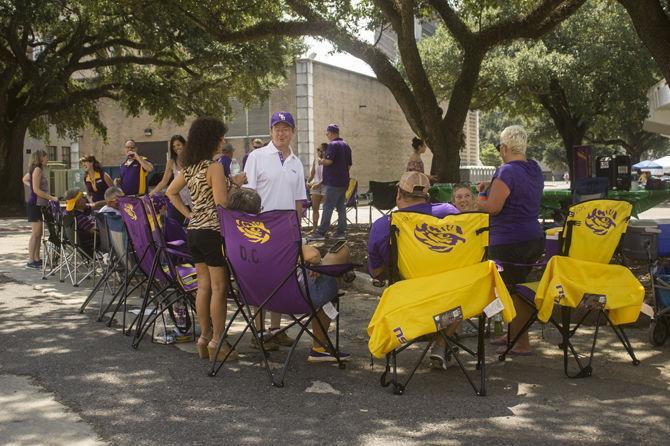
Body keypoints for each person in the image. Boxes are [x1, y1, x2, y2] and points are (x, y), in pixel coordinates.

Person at [226, 187, 351, 362]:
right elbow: (313, 256)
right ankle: (319, 347)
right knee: (339, 253)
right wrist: (316, 264)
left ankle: (319, 346)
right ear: (259, 211)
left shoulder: (230, 236)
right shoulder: (272, 233)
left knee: (317, 272)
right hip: (293, 297)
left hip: (252, 295)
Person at [166, 116, 246, 362]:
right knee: (220, 288)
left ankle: (203, 338)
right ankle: (218, 342)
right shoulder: (214, 167)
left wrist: (189, 214)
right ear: (212, 140)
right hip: (212, 232)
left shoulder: (190, 168)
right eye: (221, 137)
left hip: (194, 232)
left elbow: (171, 192)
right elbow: (222, 203)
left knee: (203, 287)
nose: (223, 141)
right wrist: (235, 186)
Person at [367, 171, 460, 369]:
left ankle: (425, 332)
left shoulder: (383, 225)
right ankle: (441, 343)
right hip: (451, 296)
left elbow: (376, 273)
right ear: (427, 195)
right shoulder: (450, 212)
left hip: (409, 298)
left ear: (398, 195)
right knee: (458, 289)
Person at [477, 125, 544, 356]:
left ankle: (521, 341)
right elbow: (517, 190)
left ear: (504, 147)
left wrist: (480, 199)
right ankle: (515, 333)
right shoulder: (534, 168)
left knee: (511, 291)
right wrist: (492, 185)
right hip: (533, 237)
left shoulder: (506, 171)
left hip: (508, 241)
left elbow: (494, 208)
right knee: (520, 288)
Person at [243, 111, 307, 349]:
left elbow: (299, 200)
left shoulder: (296, 162)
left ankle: (275, 329)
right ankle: (258, 333)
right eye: (277, 128)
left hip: (286, 232)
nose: (281, 133)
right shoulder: (257, 157)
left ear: (292, 132)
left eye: (286, 129)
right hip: (261, 230)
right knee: (260, 280)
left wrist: (297, 231)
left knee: (282, 279)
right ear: (270, 131)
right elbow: (247, 195)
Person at [308, 124, 352, 241]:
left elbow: (329, 161)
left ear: (331, 133)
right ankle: (341, 232)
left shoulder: (332, 145)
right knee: (341, 207)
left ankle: (321, 233)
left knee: (328, 207)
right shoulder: (346, 145)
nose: (326, 135)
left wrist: (321, 161)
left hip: (333, 182)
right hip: (343, 182)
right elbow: (349, 165)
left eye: (327, 133)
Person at [24, 150, 58, 269]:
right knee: (35, 233)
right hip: (35, 204)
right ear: (41, 158)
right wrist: (52, 198)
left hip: (41, 204)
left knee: (39, 234)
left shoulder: (38, 169)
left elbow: (25, 179)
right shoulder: (37, 170)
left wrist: (32, 187)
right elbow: (37, 190)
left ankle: (37, 259)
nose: (47, 159)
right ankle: (31, 260)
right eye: (46, 156)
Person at [149, 135, 191, 224]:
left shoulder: (192, 159)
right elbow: (164, 182)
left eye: (178, 145)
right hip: (178, 200)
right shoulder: (171, 162)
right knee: (174, 226)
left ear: (184, 144)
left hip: (193, 200)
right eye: (174, 146)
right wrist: (150, 195)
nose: (176, 148)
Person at [64, 187, 96, 255]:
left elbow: (92, 206)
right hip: (90, 242)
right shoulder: (79, 217)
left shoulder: (69, 214)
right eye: (83, 197)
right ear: (78, 202)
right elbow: (94, 230)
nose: (85, 199)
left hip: (77, 242)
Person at [306, 143, 327, 230]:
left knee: (326, 209)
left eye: (319, 150)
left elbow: (328, 176)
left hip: (326, 185)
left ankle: (324, 228)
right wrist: (307, 182)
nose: (318, 152)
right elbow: (312, 174)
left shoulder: (328, 161)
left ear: (324, 151)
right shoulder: (316, 160)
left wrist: (319, 184)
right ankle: (315, 228)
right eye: (317, 150)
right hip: (315, 186)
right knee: (315, 209)